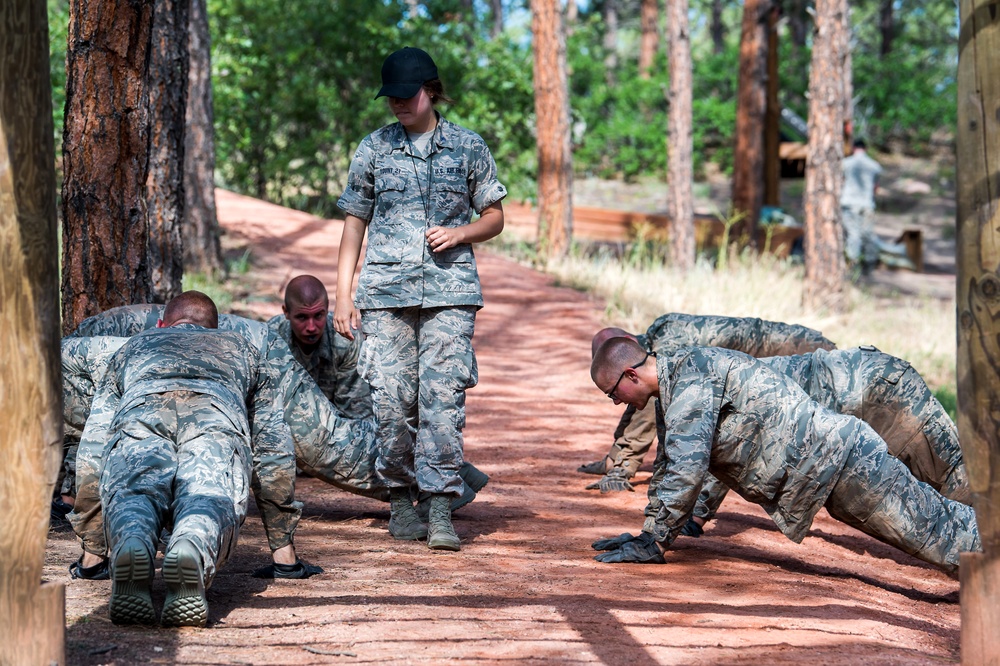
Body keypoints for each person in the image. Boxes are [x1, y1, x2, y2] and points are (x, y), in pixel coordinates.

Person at [589, 337, 979, 575]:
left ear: (631, 375)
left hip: (844, 464)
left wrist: (654, 541)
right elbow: (670, 465)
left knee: (943, 535)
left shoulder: (690, 381)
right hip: (833, 470)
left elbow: (687, 471)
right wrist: (650, 533)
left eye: (612, 393)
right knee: (943, 532)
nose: (614, 402)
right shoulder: (677, 386)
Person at [334, 47, 506, 551]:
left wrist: (460, 233)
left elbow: (494, 217)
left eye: (405, 95)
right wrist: (343, 294)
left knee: (442, 400)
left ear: (430, 90)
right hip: (385, 295)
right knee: (391, 399)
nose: (397, 105)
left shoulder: (468, 146)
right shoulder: (373, 149)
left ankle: (439, 507)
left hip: (450, 292)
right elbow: (353, 223)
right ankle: (400, 500)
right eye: (390, 97)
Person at [76, 292, 307, 626]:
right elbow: (274, 452)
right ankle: (190, 548)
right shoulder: (242, 349)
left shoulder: (133, 347)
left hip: (142, 411)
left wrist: (93, 551)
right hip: (214, 418)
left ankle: (132, 542)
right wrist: (283, 548)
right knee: (208, 495)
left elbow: (93, 451)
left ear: (162, 324)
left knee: (133, 492)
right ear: (213, 328)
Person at [677, 345, 972, 538]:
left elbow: (726, 455)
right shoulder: (731, 372)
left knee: (951, 474)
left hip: (873, 388)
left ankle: (982, 544)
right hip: (876, 375)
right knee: (945, 469)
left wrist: (697, 516)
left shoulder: (723, 391)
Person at [579, 314, 837, 492]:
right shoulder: (649, 346)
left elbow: (645, 412)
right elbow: (634, 401)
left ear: (629, 346)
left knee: (831, 431)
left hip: (808, 354)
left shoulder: (666, 350)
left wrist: (621, 469)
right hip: (789, 352)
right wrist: (615, 456)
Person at [841, 138, 883, 275]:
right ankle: (870, 265)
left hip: (849, 204)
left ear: (853, 148)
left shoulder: (845, 164)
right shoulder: (874, 165)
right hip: (866, 204)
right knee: (868, 234)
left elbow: (840, 183)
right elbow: (875, 188)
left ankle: (853, 265)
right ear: (865, 149)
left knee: (853, 235)